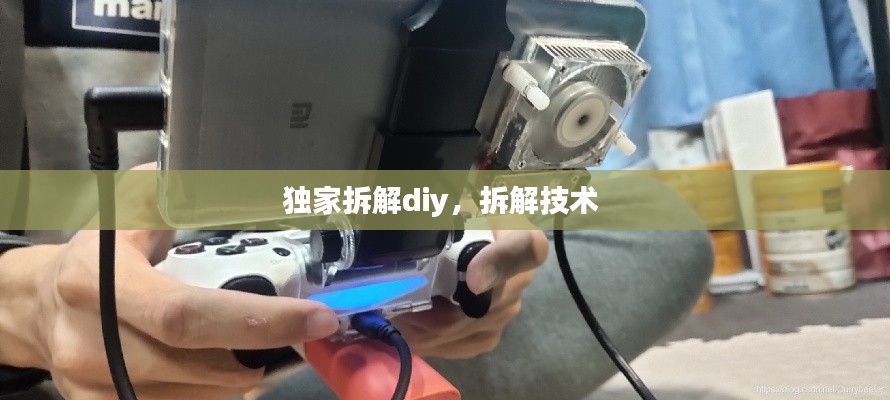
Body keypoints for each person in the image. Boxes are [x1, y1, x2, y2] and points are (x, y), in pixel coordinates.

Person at [1, 2, 714, 399]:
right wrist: (32, 308)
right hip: (89, 346)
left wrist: (494, 206)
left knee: (660, 227)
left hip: (347, 283)